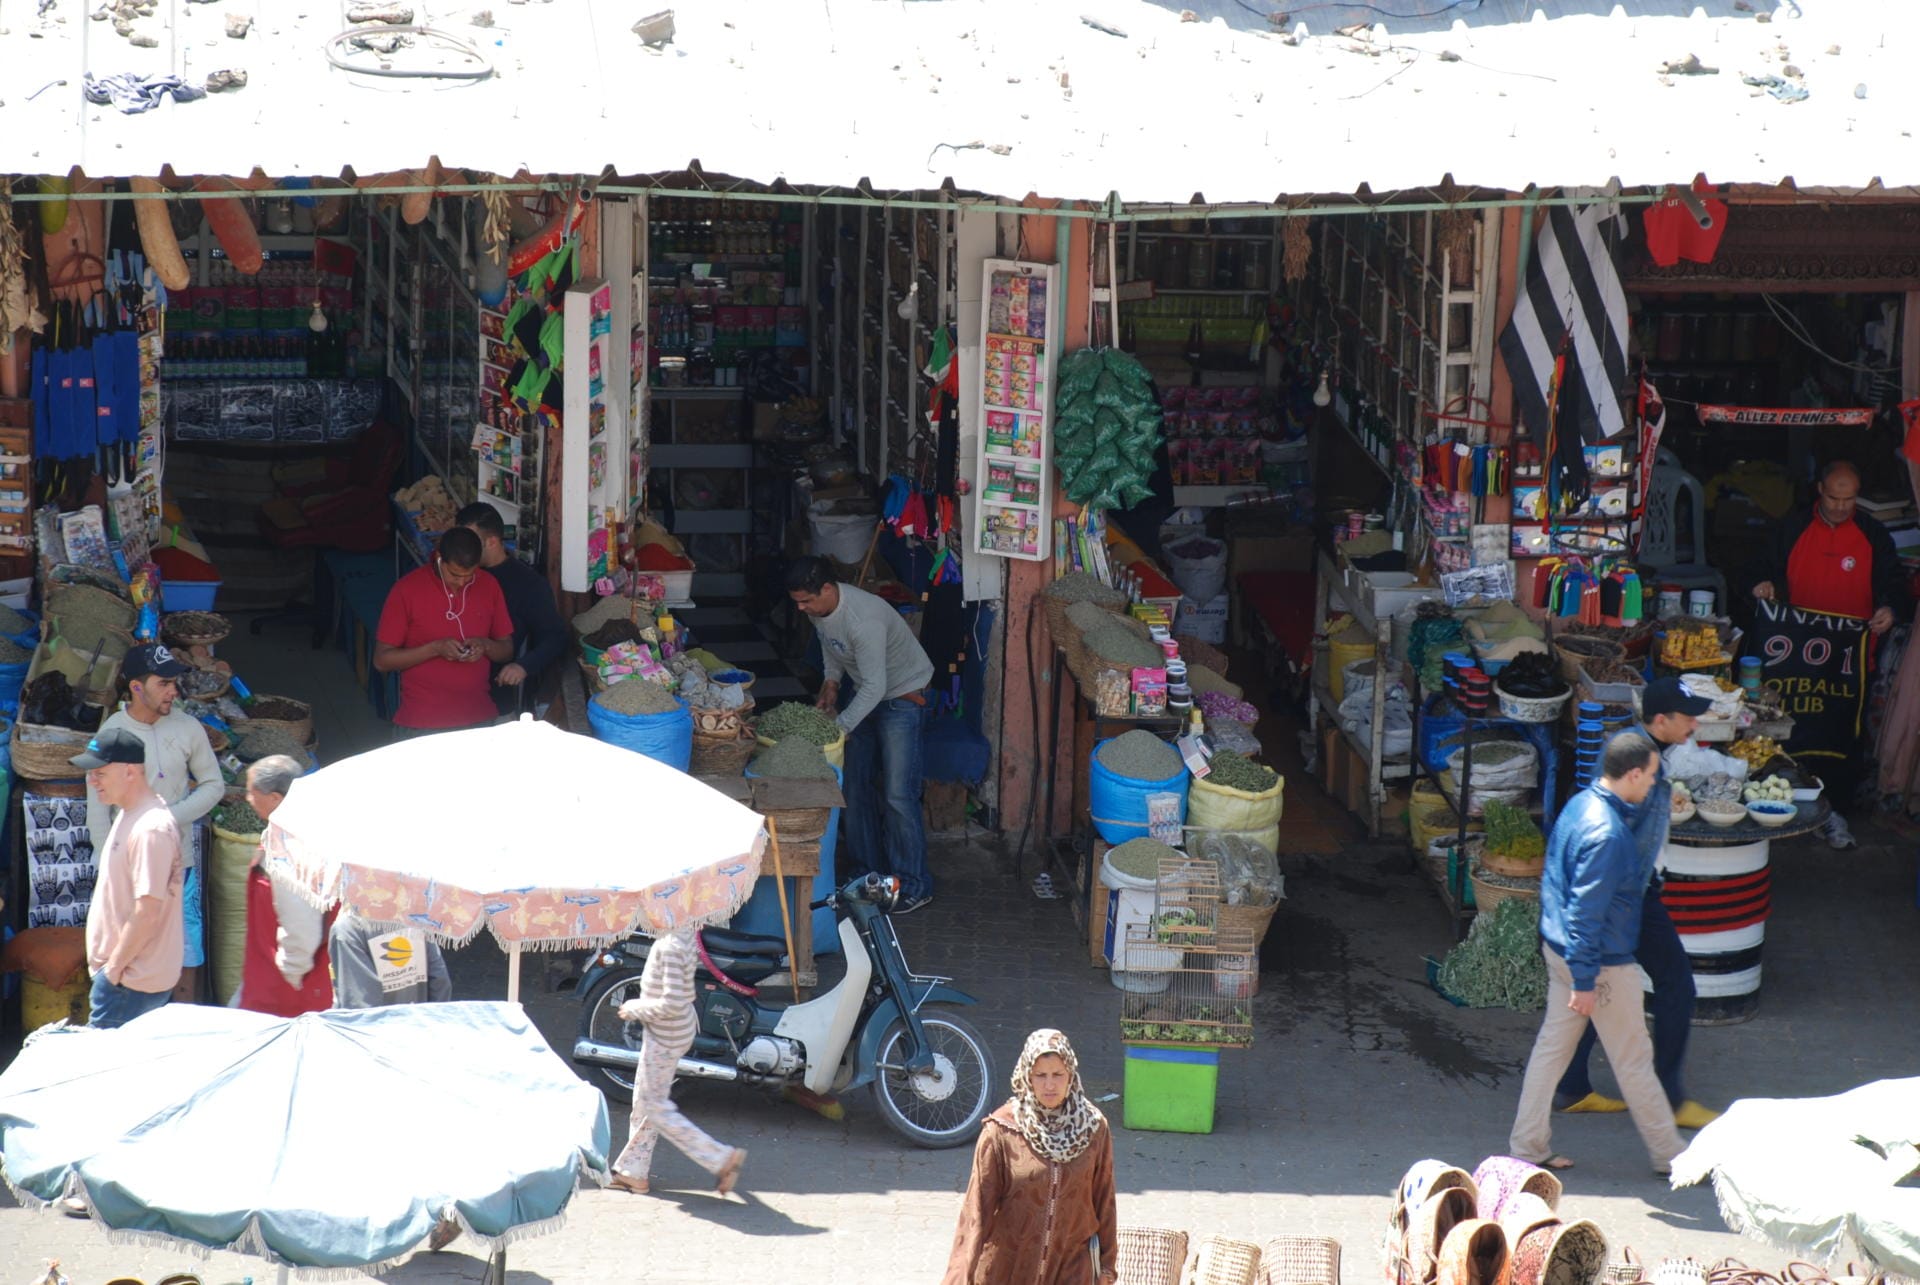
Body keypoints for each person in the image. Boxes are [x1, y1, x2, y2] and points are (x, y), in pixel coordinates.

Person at [1509, 732, 1685, 1177]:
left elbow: (1558, 888)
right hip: (1600, 963)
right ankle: (1672, 1156)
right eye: (1651, 776)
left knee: (1551, 1051)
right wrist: (1586, 980)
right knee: (1634, 1060)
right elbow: (1587, 914)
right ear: (1633, 774)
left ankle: (1527, 1146)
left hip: (1560, 950)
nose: (1653, 785)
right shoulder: (1609, 835)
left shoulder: (1578, 806)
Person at [1555, 679, 1721, 1131]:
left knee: (1603, 987)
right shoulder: (1638, 760)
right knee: (1676, 984)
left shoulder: (1636, 749)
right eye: (1687, 718)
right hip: (1627, 895)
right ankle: (1669, 1099)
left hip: (1623, 892)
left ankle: (1570, 1086)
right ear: (1661, 719)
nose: (1694, 725)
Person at [1747, 459, 1911, 849]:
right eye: (1834, 498)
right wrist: (1761, 585)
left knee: (1841, 734)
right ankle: (1777, 805)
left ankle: (1834, 812)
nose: (1840, 507)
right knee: (1788, 730)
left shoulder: (1873, 534)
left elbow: (1896, 585)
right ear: (1820, 490)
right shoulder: (1791, 528)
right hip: (1792, 657)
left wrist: (1890, 609)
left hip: (1849, 659)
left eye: (1849, 499)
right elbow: (1756, 568)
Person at [786, 555, 937, 913]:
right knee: (853, 786)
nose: (801, 608)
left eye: (806, 601)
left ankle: (913, 884)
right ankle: (866, 874)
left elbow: (875, 686)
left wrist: (838, 729)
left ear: (827, 588)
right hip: (867, 693)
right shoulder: (820, 611)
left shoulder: (863, 619)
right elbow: (831, 647)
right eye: (797, 602)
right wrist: (831, 683)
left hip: (902, 698)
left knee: (898, 794)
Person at [85, 642, 224, 1005]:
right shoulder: (112, 733)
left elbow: (214, 785)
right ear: (136, 687)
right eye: (163, 684)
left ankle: (184, 1019)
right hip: (128, 867)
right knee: (129, 944)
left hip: (180, 862)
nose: (173, 691)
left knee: (185, 947)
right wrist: (106, 860)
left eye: (174, 683)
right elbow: (97, 809)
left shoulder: (188, 727)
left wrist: (166, 819)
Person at [943, 1029, 1118, 1285]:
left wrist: (1107, 1268)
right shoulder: (1001, 1131)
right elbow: (976, 1213)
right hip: (1008, 1271)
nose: (1050, 1085)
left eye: (1058, 1074)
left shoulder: (1093, 1128)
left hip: (1071, 1270)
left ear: (1071, 1075)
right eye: (1040, 1075)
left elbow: (1105, 1199)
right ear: (1027, 1076)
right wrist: (959, 1278)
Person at [608, 925, 747, 1197]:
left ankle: (720, 1158)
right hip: (668, 1031)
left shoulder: (671, 946)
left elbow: (672, 1003)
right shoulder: (682, 934)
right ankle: (632, 1171)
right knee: (645, 1101)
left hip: (665, 1035)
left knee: (655, 1107)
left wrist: (636, 1008)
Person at [76, 728, 185, 1029]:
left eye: (100, 773)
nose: (92, 781)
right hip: (125, 979)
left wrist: (112, 971)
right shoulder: (130, 813)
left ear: (130, 771)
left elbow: (147, 912)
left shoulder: (150, 830)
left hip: (129, 983)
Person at [375, 526, 515, 736]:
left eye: (469, 575)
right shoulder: (406, 590)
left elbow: (507, 650)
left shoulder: (489, 585)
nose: (461, 582)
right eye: (455, 574)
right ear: (439, 558)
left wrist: (485, 645)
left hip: (479, 717)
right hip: (422, 723)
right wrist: (435, 649)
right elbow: (382, 661)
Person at [232, 756, 333, 1017]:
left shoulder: (291, 847)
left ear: (275, 799)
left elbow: (302, 929)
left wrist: (291, 976)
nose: (248, 799)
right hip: (268, 980)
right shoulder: (301, 832)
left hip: (285, 993)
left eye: (252, 792)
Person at [457, 501, 567, 718]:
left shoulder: (528, 584)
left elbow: (555, 636)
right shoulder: (452, 573)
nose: (461, 550)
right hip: (449, 690)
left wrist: (523, 666)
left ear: (492, 542)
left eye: (469, 543)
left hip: (495, 695)